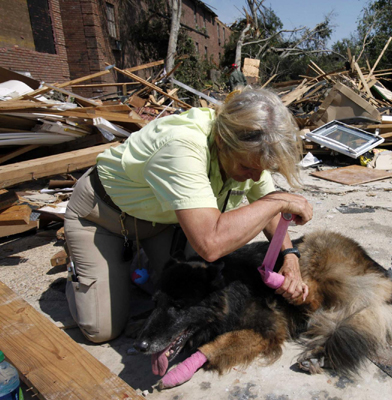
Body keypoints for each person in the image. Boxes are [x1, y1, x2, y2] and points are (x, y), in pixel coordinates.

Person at [64, 87, 313, 343]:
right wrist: (280, 201)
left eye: (261, 170)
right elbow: (211, 244)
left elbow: (266, 206)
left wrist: (290, 256)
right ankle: (79, 268)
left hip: (162, 223)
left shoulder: (247, 154)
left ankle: (138, 260)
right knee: (101, 330)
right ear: (222, 141)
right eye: (248, 167)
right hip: (103, 218)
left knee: (197, 286)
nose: (255, 176)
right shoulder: (182, 146)